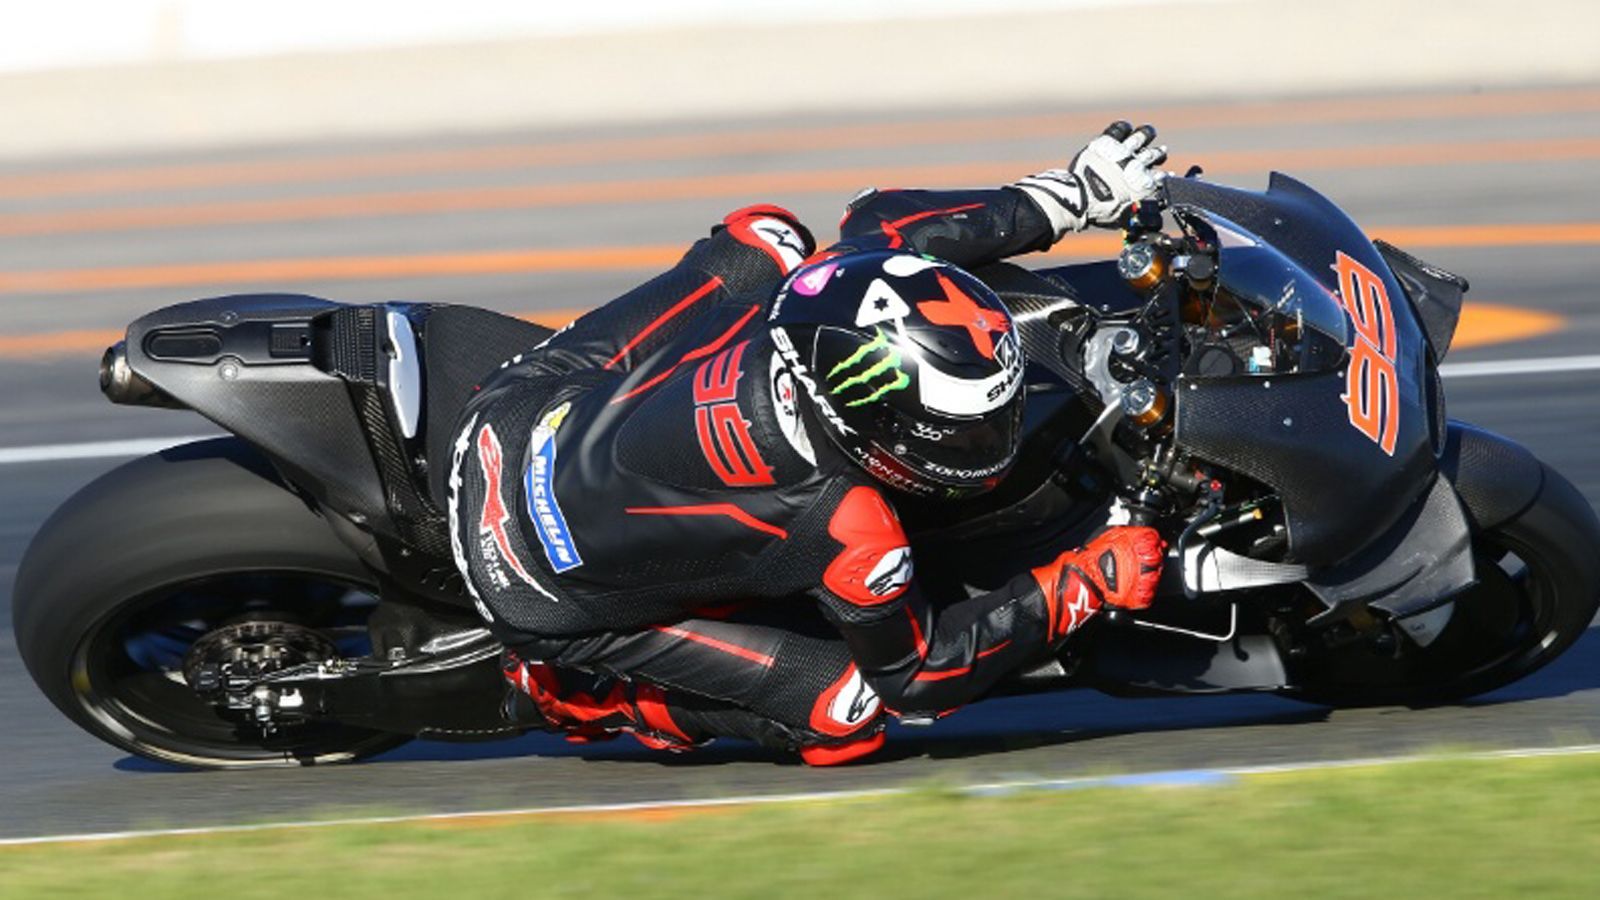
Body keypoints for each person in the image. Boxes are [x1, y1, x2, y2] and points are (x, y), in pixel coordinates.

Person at [445, 122, 1169, 764]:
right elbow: (917, 677)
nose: (987, 439)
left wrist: (1071, 193)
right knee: (846, 711)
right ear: (868, 424)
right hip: (536, 587)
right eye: (965, 429)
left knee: (768, 239)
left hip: (508, 418)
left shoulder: (824, 290)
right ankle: (591, 696)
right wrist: (1079, 586)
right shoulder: (852, 524)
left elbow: (886, 224)